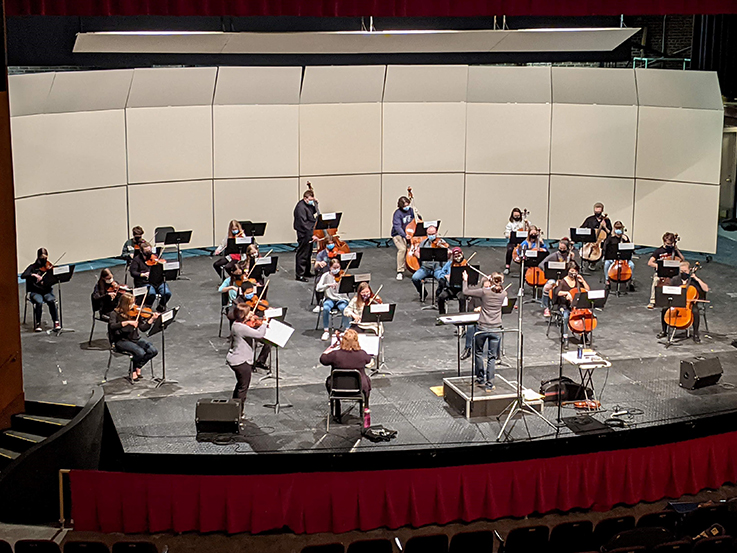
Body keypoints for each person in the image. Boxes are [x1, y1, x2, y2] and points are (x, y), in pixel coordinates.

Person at [462, 271, 507, 391]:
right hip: (496, 328)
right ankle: (489, 385)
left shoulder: (484, 292)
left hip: (482, 327)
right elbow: (497, 289)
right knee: (492, 357)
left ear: (491, 280)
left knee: (478, 353)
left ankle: (480, 379)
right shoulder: (504, 293)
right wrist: (493, 281)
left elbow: (465, 291)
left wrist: (465, 279)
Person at [320, 328, 373, 424]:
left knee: (329, 380)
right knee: (367, 380)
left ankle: (335, 408)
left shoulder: (335, 355)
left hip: (337, 387)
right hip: (358, 387)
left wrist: (331, 348)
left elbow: (323, 359)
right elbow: (368, 360)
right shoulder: (362, 354)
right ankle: (366, 407)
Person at [108, 292, 159, 382]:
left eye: (134, 302)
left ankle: (137, 367)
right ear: (125, 304)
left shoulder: (135, 313)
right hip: (121, 340)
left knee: (152, 351)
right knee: (140, 353)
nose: (134, 305)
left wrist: (151, 319)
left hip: (134, 338)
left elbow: (143, 328)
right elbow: (112, 326)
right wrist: (127, 322)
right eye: (131, 303)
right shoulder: (114, 314)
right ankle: (133, 371)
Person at [226, 303, 268, 407]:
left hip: (236, 359)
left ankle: (233, 408)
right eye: (248, 312)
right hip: (241, 361)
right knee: (243, 388)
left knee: (240, 385)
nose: (251, 313)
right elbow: (259, 334)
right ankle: (239, 412)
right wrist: (264, 323)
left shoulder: (237, 324)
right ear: (243, 316)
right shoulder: (240, 328)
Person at [658, 260, 708, 343]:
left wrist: (696, 278)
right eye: (681, 271)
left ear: (689, 270)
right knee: (664, 309)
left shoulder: (693, 280)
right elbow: (669, 291)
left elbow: (706, 289)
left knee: (695, 311)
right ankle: (664, 331)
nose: (683, 273)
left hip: (690, 303)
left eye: (685, 271)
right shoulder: (675, 279)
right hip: (677, 302)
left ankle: (696, 334)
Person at [553, 261, 590, 350]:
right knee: (565, 317)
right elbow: (557, 292)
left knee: (589, 317)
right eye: (571, 271)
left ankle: (584, 335)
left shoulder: (578, 281)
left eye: (575, 271)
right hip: (565, 306)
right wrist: (567, 293)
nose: (573, 273)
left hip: (577, 306)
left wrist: (583, 281)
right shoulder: (563, 281)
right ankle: (565, 337)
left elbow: (587, 290)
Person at [21, 248, 60, 332]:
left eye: (45, 257)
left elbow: (55, 277)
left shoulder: (49, 266)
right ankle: (38, 323)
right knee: (38, 302)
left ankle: (56, 322)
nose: (44, 260)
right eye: (42, 257)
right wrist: (34, 275)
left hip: (46, 291)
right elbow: (23, 275)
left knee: (51, 300)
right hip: (35, 292)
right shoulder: (32, 267)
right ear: (38, 257)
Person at [129, 241, 172, 312]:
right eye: (147, 251)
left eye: (150, 251)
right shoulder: (137, 260)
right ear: (141, 251)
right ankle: (148, 307)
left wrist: (162, 265)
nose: (149, 253)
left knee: (167, 293)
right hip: (145, 282)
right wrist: (142, 274)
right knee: (152, 294)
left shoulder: (155, 257)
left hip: (158, 281)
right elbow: (133, 272)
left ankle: (161, 306)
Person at [540, 238, 577, 318]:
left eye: (564, 249)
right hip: (554, 277)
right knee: (547, 287)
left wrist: (572, 259)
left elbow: (575, 268)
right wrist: (547, 271)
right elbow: (541, 264)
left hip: (567, 278)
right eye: (560, 249)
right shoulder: (554, 255)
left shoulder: (569, 255)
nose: (562, 250)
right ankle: (546, 307)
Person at [647, 232, 684, 309]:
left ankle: (676, 300)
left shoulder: (673, 250)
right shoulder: (659, 251)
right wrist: (658, 266)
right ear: (664, 241)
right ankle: (652, 301)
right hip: (661, 273)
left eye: (671, 244)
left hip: (672, 273)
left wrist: (676, 249)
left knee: (680, 280)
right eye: (668, 243)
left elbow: (682, 259)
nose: (669, 245)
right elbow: (650, 262)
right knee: (656, 280)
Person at [316, 258, 350, 340]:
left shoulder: (343, 275)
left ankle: (347, 329)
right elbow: (318, 288)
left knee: (344, 309)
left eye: (338, 267)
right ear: (330, 267)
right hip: (330, 298)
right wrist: (328, 285)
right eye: (334, 268)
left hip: (341, 299)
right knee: (326, 308)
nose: (336, 270)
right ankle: (326, 330)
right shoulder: (325, 276)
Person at [411, 225, 449, 300]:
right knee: (415, 278)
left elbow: (448, 254)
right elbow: (417, 252)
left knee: (443, 279)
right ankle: (423, 293)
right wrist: (417, 254)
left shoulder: (442, 242)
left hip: (438, 268)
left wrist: (445, 251)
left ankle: (438, 292)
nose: (431, 236)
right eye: (429, 234)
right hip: (425, 268)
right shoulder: (423, 243)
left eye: (433, 234)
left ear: (436, 233)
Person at [293, 189, 318, 282]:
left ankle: (306, 271)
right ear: (305, 198)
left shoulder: (308, 205)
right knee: (302, 254)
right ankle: (300, 274)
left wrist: (315, 204)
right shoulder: (300, 207)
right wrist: (311, 235)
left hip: (309, 232)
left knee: (308, 253)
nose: (311, 201)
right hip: (304, 233)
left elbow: (313, 212)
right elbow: (303, 223)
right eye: (310, 199)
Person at [602, 221, 635, 288]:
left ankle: (631, 281)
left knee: (632, 265)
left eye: (619, 228)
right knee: (606, 264)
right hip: (612, 258)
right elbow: (605, 248)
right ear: (614, 229)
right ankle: (607, 280)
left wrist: (626, 241)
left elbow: (630, 250)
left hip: (623, 259)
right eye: (617, 228)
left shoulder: (625, 238)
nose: (618, 230)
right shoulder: (610, 238)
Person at [436, 247, 467, 315]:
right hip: (450, 288)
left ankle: (462, 316)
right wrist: (446, 276)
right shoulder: (449, 264)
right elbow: (440, 274)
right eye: (455, 256)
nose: (457, 258)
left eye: (459, 255)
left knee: (462, 298)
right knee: (441, 297)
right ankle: (442, 315)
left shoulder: (466, 264)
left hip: (460, 289)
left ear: (462, 254)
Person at [391, 195, 415, 280]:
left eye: (408, 205)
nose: (407, 207)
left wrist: (417, 215)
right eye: (405, 206)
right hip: (398, 234)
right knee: (402, 249)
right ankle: (400, 271)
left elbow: (416, 219)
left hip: (410, 232)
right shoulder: (397, 214)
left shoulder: (411, 210)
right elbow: (397, 227)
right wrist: (404, 235)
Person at [504, 208, 526, 275]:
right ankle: (507, 266)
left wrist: (526, 223)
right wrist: (510, 235)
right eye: (515, 216)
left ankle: (526, 267)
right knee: (510, 249)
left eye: (518, 216)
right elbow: (506, 233)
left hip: (523, 242)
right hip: (513, 242)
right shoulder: (510, 224)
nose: (517, 217)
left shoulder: (523, 222)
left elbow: (530, 229)